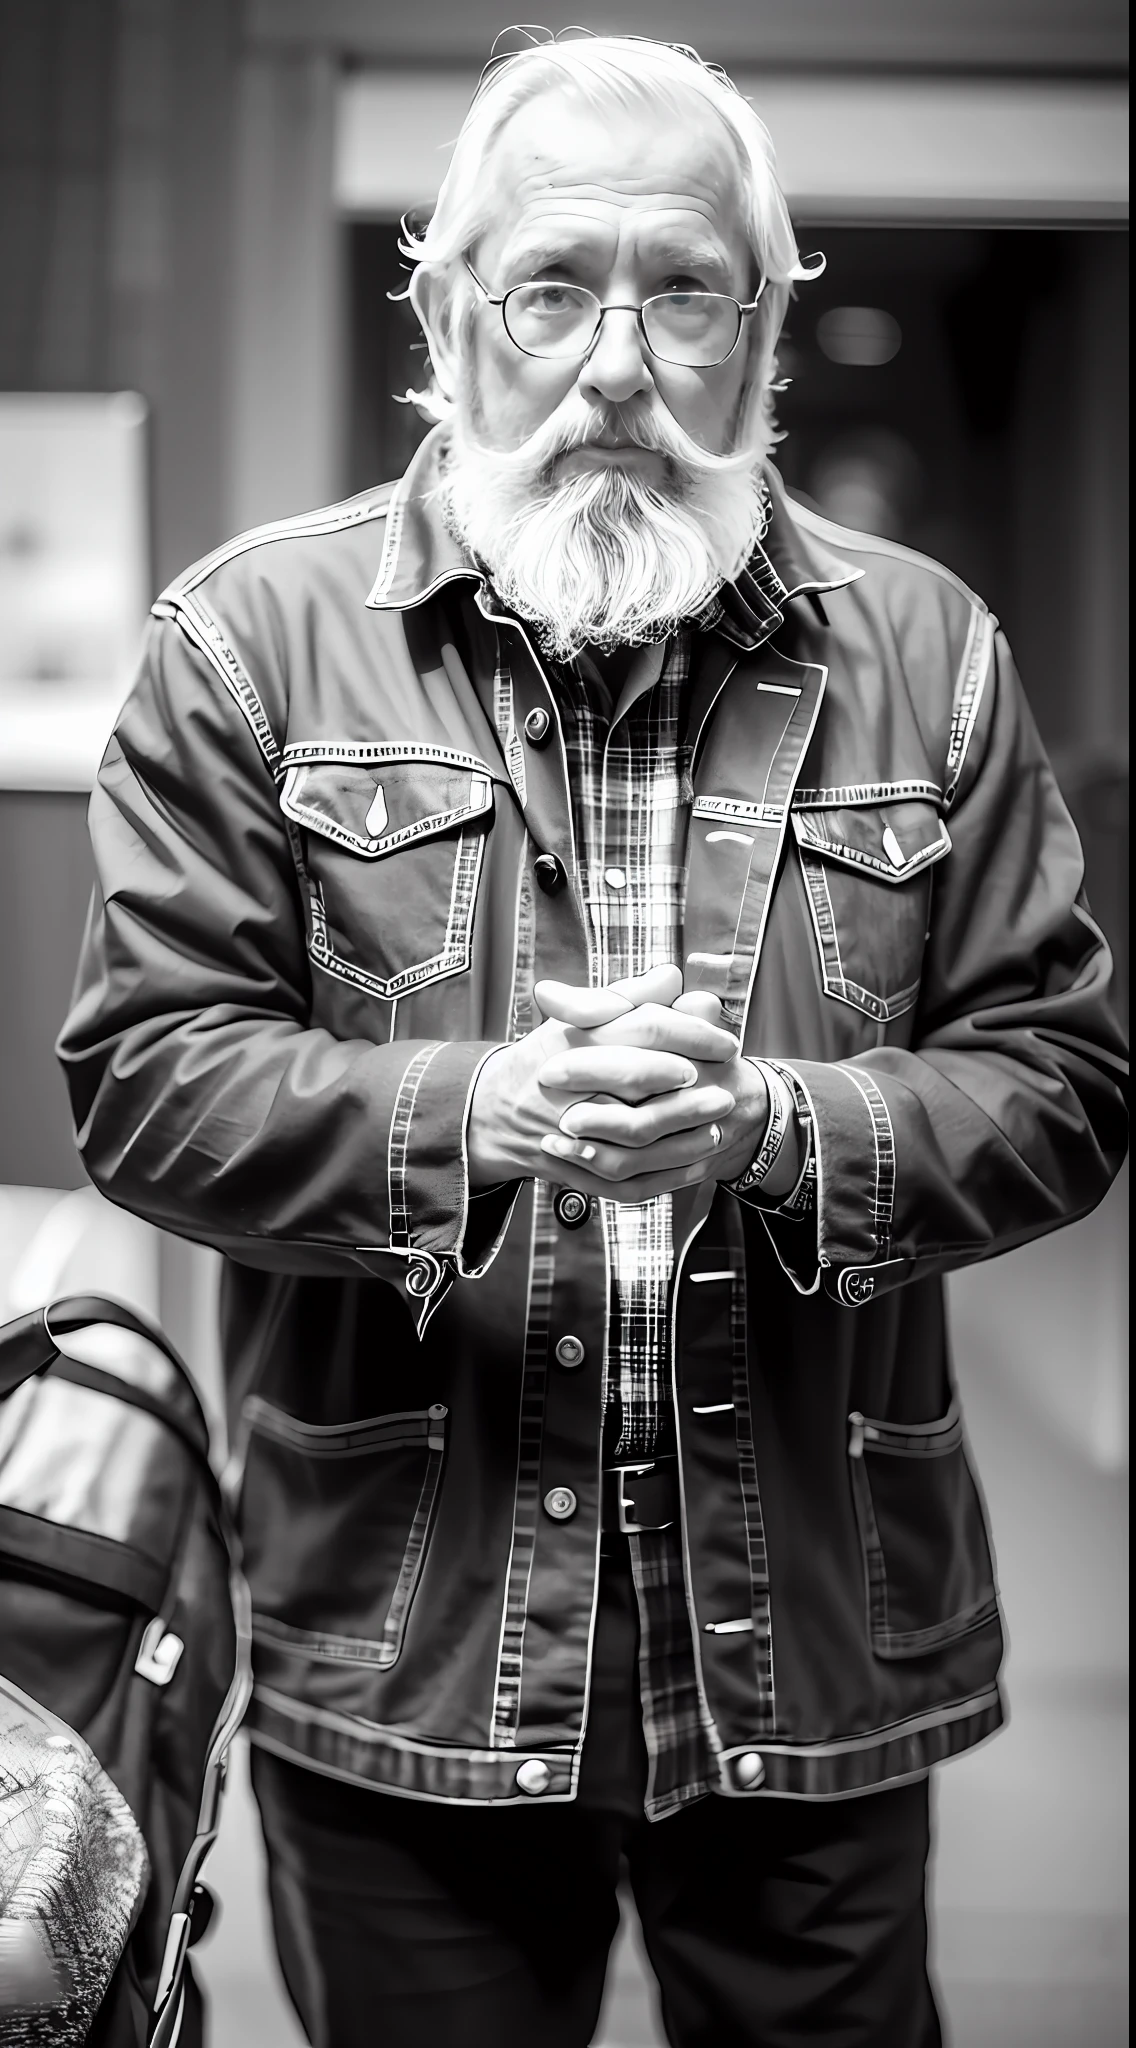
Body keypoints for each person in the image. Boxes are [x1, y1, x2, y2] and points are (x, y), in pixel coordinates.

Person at [59, 30, 1128, 2048]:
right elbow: (142, 1080)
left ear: (765, 335)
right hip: (400, 1640)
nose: (616, 359)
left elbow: (1064, 1085)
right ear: (451, 320)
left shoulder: (930, 653)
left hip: (816, 1638)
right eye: (552, 287)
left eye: (685, 291)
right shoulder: (247, 643)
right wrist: (485, 1112)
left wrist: (777, 1131)